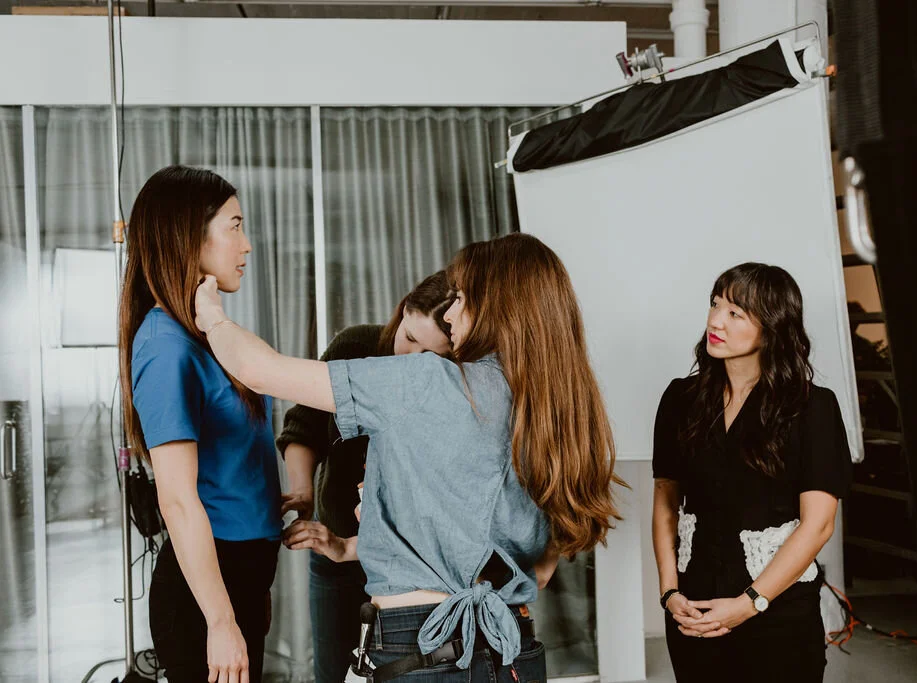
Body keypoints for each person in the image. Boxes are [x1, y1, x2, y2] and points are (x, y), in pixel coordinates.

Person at [192, 232, 623, 682]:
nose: (451, 313)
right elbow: (535, 564)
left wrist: (211, 313)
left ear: (500, 309)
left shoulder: (428, 381)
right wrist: (358, 541)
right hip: (512, 644)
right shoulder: (564, 412)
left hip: (421, 648)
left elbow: (258, 370)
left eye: (461, 299)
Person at [118, 166, 281, 683]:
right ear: (191, 238)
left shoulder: (204, 332)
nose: (247, 244)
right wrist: (221, 619)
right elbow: (177, 499)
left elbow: (232, 456)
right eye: (234, 226)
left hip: (242, 575)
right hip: (206, 595)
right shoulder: (166, 346)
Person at [651, 262, 852, 682]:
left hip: (778, 615)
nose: (714, 320)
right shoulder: (680, 399)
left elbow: (819, 525)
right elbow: (666, 505)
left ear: (773, 327)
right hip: (694, 612)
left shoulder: (813, 407)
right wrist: (670, 593)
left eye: (734, 313)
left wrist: (749, 603)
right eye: (714, 304)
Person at [275, 271, 453, 683]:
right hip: (336, 556)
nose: (411, 360)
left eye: (429, 355)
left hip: (411, 570)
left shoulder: (451, 385)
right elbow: (303, 426)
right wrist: (303, 491)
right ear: (401, 311)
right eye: (408, 338)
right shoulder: (355, 347)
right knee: (334, 673)